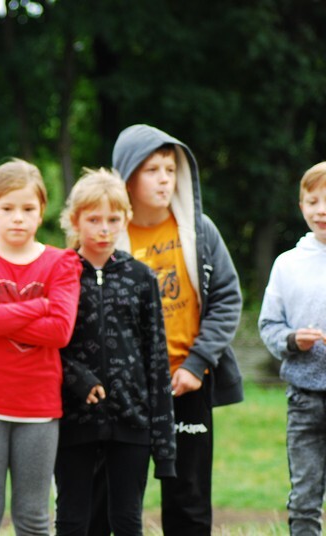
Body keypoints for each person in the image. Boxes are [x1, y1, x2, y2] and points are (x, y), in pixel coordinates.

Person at [110, 124, 244, 535]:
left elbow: (226, 298)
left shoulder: (200, 231)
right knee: (118, 496)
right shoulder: (107, 233)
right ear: (127, 175)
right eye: (152, 169)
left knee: (189, 499)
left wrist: (197, 363)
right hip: (126, 389)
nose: (165, 178)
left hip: (189, 381)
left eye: (170, 169)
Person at [0, 158, 82, 535]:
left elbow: (60, 330)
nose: (18, 218)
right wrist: (41, 305)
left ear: (42, 211)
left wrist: (4, 314)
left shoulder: (62, 263)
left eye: (28, 209)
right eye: (7, 208)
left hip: (39, 406)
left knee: (33, 517)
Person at [54, 168, 176, 536]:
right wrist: (77, 378)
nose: (104, 229)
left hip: (131, 419)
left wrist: (164, 444)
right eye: (93, 220)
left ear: (126, 219)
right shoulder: (58, 272)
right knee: (72, 520)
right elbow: (45, 345)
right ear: (75, 220)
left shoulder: (141, 277)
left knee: (126, 521)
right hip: (73, 419)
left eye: (113, 219)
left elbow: (156, 357)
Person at [258, 161, 326, 535]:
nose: (321, 209)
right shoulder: (288, 264)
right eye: (312, 200)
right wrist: (291, 340)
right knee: (304, 499)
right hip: (304, 399)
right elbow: (268, 325)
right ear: (301, 206)